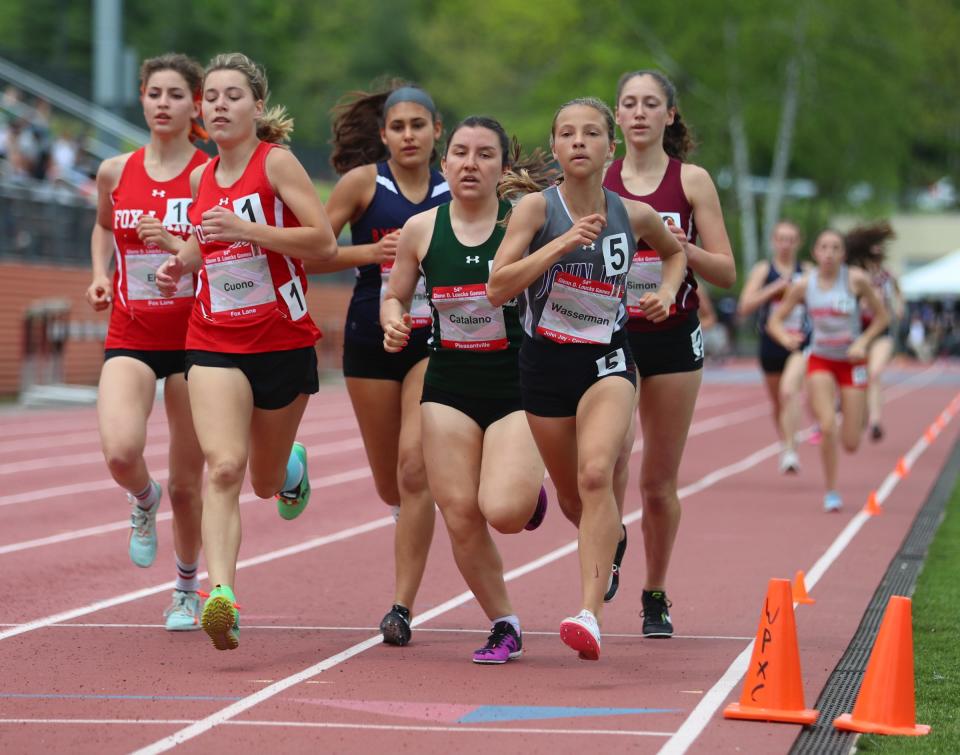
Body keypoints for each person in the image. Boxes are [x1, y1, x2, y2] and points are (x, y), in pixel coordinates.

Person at [488, 97, 685, 661]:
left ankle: (588, 615)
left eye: (591, 133)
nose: (578, 141)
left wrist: (666, 293)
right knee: (577, 503)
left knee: (598, 473)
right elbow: (498, 288)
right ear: (554, 147)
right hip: (545, 364)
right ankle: (613, 539)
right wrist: (561, 245)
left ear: (610, 148)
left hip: (608, 362)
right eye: (567, 134)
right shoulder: (533, 211)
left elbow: (675, 255)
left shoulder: (634, 214)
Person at [156, 52, 337, 650]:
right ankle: (223, 596)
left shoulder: (276, 163)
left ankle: (290, 467)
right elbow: (205, 242)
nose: (219, 105)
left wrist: (250, 230)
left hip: (282, 341)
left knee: (262, 479)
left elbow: (324, 244)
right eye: (211, 96)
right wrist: (176, 262)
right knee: (225, 467)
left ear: (258, 107)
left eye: (233, 95)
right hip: (212, 337)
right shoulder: (198, 178)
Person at [382, 116, 551, 664]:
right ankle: (504, 622)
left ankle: (524, 491)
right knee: (459, 512)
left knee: (501, 510)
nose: (470, 163)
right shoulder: (421, 229)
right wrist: (393, 319)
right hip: (448, 384)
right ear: (444, 163)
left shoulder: (522, 223)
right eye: (459, 152)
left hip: (516, 385)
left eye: (483, 154)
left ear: (503, 167)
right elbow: (397, 294)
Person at [305, 83, 449, 646]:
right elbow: (309, 254)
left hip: (434, 337)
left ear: (438, 130)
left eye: (420, 124)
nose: (409, 135)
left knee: (416, 470)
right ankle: (402, 511)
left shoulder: (453, 186)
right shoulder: (364, 185)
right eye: (399, 127)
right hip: (371, 338)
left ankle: (401, 607)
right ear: (383, 134)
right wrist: (369, 253)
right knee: (391, 483)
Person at [605, 70, 735, 637]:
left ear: (669, 115)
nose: (638, 113)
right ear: (615, 116)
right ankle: (609, 539)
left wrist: (681, 249)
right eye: (629, 104)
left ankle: (654, 593)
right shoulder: (598, 178)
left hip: (674, 336)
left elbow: (727, 272)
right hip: (607, 334)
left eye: (650, 104)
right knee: (607, 459)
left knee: (657, 483)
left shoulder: (692, 182)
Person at [86, 53, 208, 632]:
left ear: (196, 104)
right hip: (131, 332)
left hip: (195, 340)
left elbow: (226, 247)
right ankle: (141, 499)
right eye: (154, 93)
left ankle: (186, 589)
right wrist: (99, 273)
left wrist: (177, 243)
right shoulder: (116, 170)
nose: (163, 103)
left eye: (175, 94)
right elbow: (105, 226)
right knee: (119, 450)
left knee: (188, 484)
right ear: (142, 99)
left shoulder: (208, 175)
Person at [767, 230, 888, 512]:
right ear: (815, 253)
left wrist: (863, 341)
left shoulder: (855, 280)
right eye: (824, 247)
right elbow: (775, 320)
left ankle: (859, 413)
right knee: (828, 427)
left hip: (852, 362)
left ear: (843, 254)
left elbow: (882, 318)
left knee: (851, 443)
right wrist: (786, 338)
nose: (830, 253)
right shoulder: (804, 285)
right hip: (821, 359)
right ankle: (831, 491)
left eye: (835, 248)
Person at [738, 220, 811, 473]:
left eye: (791, 239)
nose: (786, 244)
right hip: (770, 342)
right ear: (773, 241)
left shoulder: (807, 271)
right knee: (779, 403)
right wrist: (775, 289)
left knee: (790, 392)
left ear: (798, 242)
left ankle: (791, 451)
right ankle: (786, 443)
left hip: (799, 342)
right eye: (781, 238)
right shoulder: (763, 270)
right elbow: (745, 306)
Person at [844, 221, 904, 441]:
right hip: (858, 333)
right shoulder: (856, 276)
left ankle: (875, 422)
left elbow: (899, 294)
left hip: (881, 331)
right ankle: (860, 413)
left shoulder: (888, 276)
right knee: (859, 378)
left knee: (875, 373)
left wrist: (899, 307)